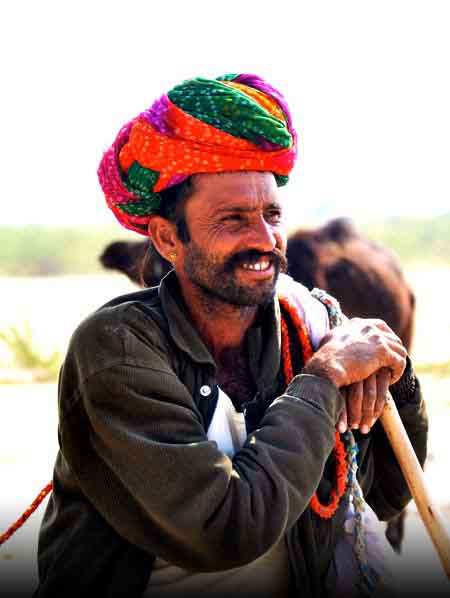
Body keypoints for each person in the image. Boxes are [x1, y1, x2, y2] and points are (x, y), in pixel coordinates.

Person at [34, 74, 427, 597]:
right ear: (168, 238)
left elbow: (386, 493)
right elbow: (226, 529)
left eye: (271, 214)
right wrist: (326, 379)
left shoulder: (307, 327)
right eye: (234, 219)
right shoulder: (117, 349)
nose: (264, 239)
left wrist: (391, 374)